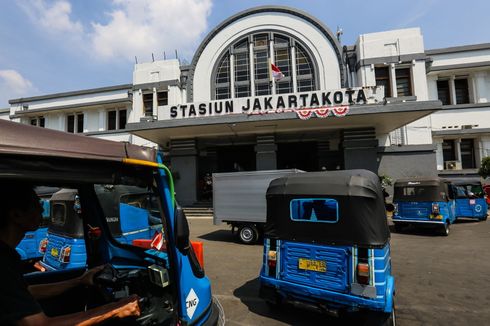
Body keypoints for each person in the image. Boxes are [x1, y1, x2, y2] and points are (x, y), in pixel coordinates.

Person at [0, 183, 140, 325]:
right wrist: (117, 309)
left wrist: (79, 280)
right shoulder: (3, 265)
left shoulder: (7, 256)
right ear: (16, 215)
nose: (42, 209)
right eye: (36, 205)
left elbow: (29, 292)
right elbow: (39, 324)